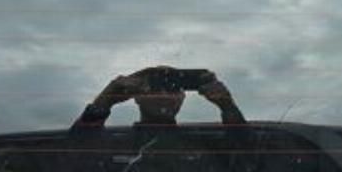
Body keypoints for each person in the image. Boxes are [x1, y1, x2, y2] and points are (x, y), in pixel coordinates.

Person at [72, 66, 246, 130]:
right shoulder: (117, 141)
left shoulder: (201, 141)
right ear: (137, 97)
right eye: (155, 88)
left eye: (172, 89)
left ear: (182, 97)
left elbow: (247, 159)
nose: (164, 95)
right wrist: (105, 100)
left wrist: (227, 106)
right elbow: (73, 156)